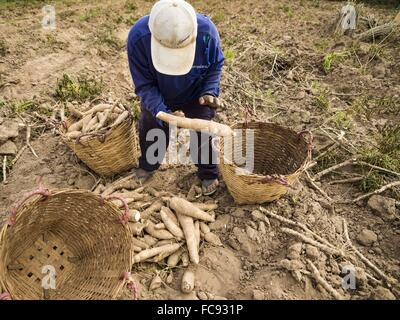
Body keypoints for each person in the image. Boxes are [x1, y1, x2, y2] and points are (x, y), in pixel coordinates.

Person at [127, 0, 224, 195]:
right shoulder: (138, 38)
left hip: (197, 93)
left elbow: (215, 65)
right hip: (158, 91)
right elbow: (144, 85)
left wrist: (209, 92)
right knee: (151, 123)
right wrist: (161, 111)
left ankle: (207, 173)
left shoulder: (206, 33)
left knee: (203, 127)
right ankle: (148, 165)